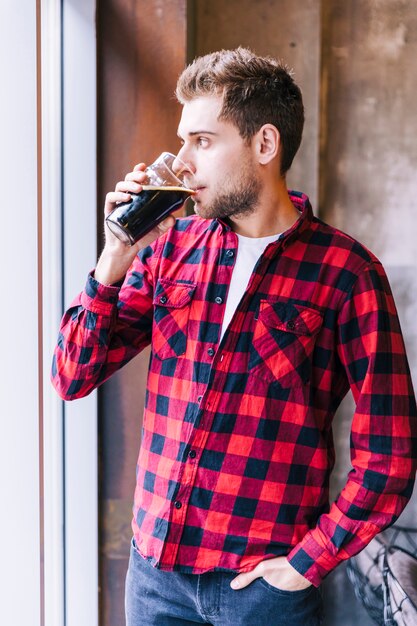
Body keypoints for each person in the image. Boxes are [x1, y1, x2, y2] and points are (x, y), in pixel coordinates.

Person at [51, 47, 417, 626]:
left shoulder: (348, 274)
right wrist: (115, 253)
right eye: (182, 141)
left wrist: (305, 564)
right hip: (155, 581)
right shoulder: (170, 248)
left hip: (265, 592)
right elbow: (71, 375)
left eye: (202, 140)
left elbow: (389, 457)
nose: (181, 161)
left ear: (264, 145)